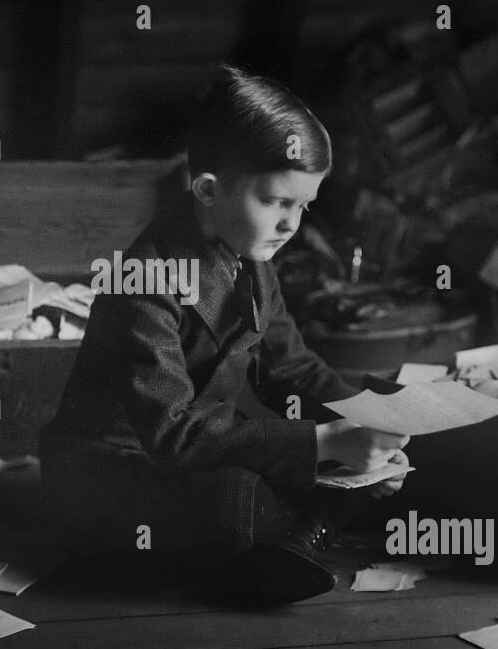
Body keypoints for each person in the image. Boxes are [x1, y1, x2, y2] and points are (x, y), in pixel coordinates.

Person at [39, 64, 410, 604]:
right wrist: (325, 443)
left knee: (340, 465)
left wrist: (371, 421)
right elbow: (171, 436)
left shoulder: (249, 253)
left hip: (198, 451)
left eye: (303, 206)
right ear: (209, 190)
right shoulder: (143, 280)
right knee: (238, 499)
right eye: (277, 202)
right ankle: (292, 537)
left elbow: (291, 366)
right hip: (113, 466)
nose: (292, 225)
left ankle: (290, 541)